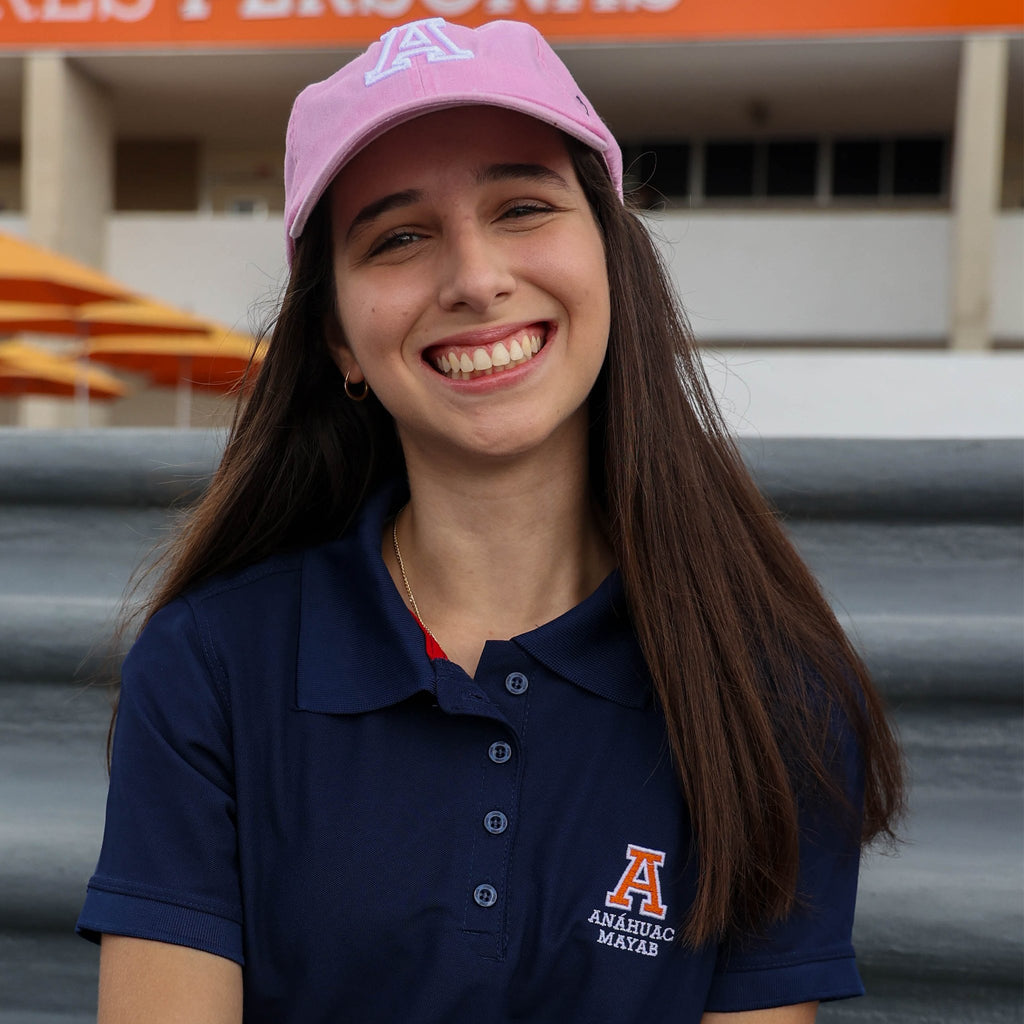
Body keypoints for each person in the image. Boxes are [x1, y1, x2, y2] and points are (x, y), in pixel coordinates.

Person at [77, 17, 903, 1024]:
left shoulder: (770, 692)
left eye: (521, 206)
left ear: (610, 255)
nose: (474, 278)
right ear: (337, 336)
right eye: (398, 236)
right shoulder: (210, 665)